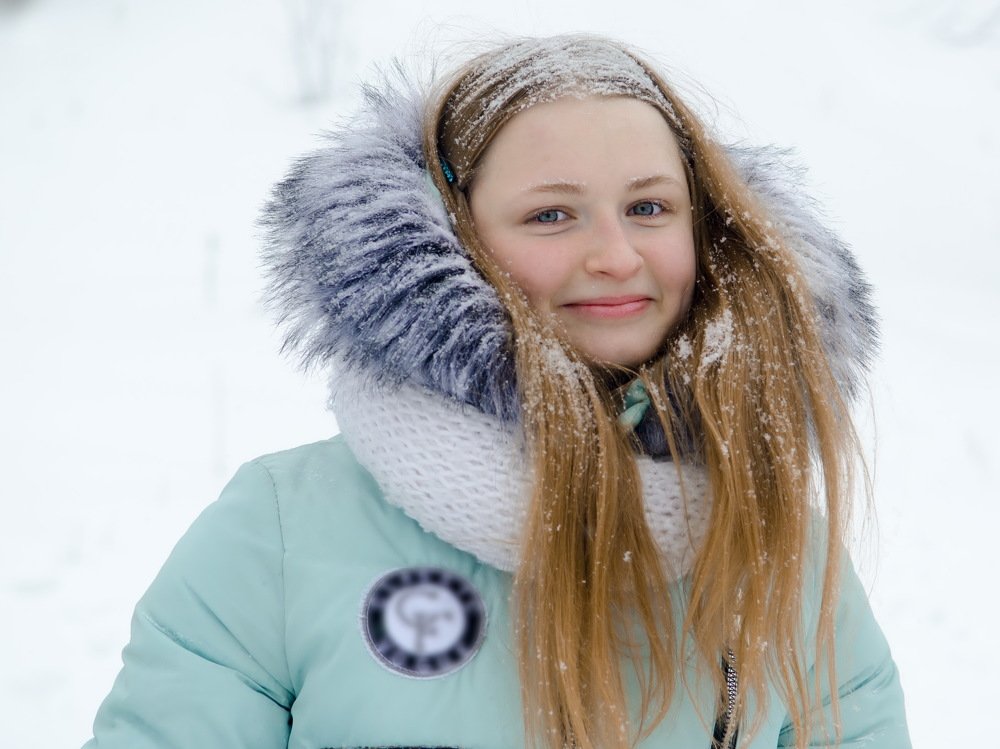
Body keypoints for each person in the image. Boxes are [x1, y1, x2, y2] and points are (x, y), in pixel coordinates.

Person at [84, 35, 910, 749]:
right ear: (451, 237)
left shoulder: (780, 543)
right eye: (552, 215)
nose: (617, 255)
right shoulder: (284, 530)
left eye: (649, 206)